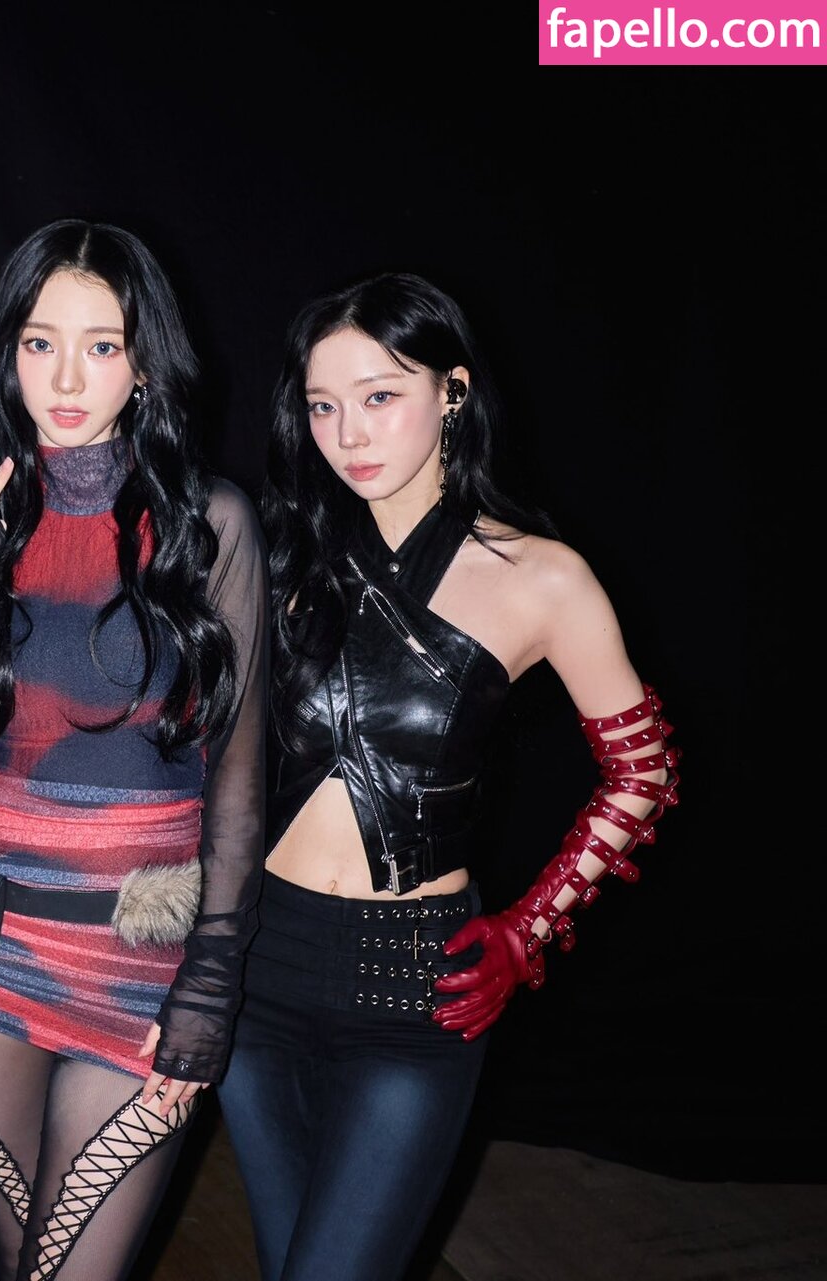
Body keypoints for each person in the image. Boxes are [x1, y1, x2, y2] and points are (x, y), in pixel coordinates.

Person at [220, 272, 681, 1281]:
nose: (349, 433)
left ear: (454, 392)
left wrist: (530, 928)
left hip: (415, 982)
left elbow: (641, 770)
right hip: (260, 964)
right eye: (323, 405)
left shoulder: (543, 577)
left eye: (380, 395)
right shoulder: (282, 555)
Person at [0, 219, 268, 1281]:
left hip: (138, 963)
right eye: (39, 342)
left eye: (102, 346)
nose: (65, 378)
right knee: (18, 1259)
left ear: (145, 364)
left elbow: (239, 788)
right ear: (8, 353)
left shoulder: (209, 523)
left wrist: (212, 979)